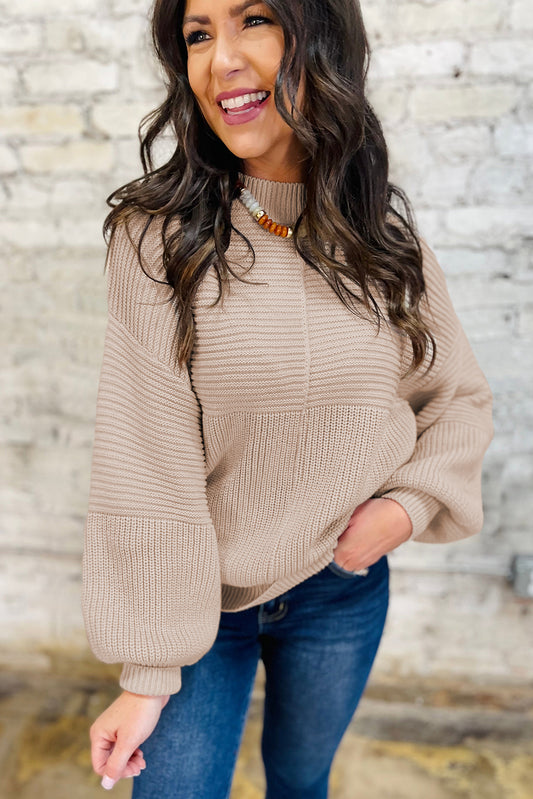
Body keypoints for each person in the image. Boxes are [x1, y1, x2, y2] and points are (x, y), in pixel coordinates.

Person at [82, 0, 494, 796]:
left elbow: (459, 399)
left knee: (301, 784)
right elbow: (146, 458)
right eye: (198, 34)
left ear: (323, 41)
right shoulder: (155, 237)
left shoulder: (383, 238)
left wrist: (403, 508)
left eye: (254, 21)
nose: (220, 59)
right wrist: (148, 669)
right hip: (203, 606)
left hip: (340, 592)